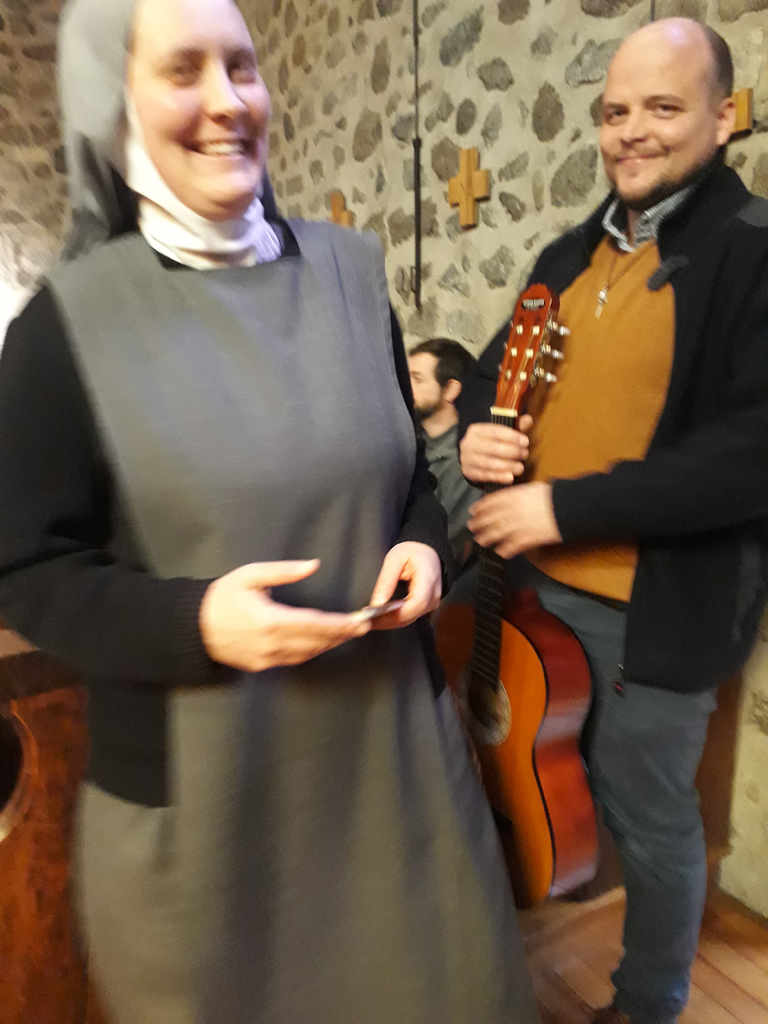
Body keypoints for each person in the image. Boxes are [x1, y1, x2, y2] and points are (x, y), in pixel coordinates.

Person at [0, 1, 540, 1022]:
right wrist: (197, 620)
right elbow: (26, 569)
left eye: (242, 66)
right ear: (110, 105)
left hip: (397, 776)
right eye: (183, 71)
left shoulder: (351, 274)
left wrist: (423, 545)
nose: (227, 100)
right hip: (213, 818)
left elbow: (411, 478)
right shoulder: (62, 332)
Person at [459, 18, 768, 1024]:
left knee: (652, 821)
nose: (631, 131)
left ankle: (647, 1002)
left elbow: (748, 456)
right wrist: (475, 431)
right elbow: (489, 374)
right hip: (533, 592)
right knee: (538, 774)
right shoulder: (567, 251)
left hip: (653, 612)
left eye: (663, 107)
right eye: (614, 111)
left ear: (723, 117)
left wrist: (561, 505)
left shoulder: (753, 251)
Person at [408, 338, 482, 576]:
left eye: (417, 379)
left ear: (450, 390)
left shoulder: (465, 462)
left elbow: (444, 545)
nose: (404, 385)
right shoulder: (410, 436)